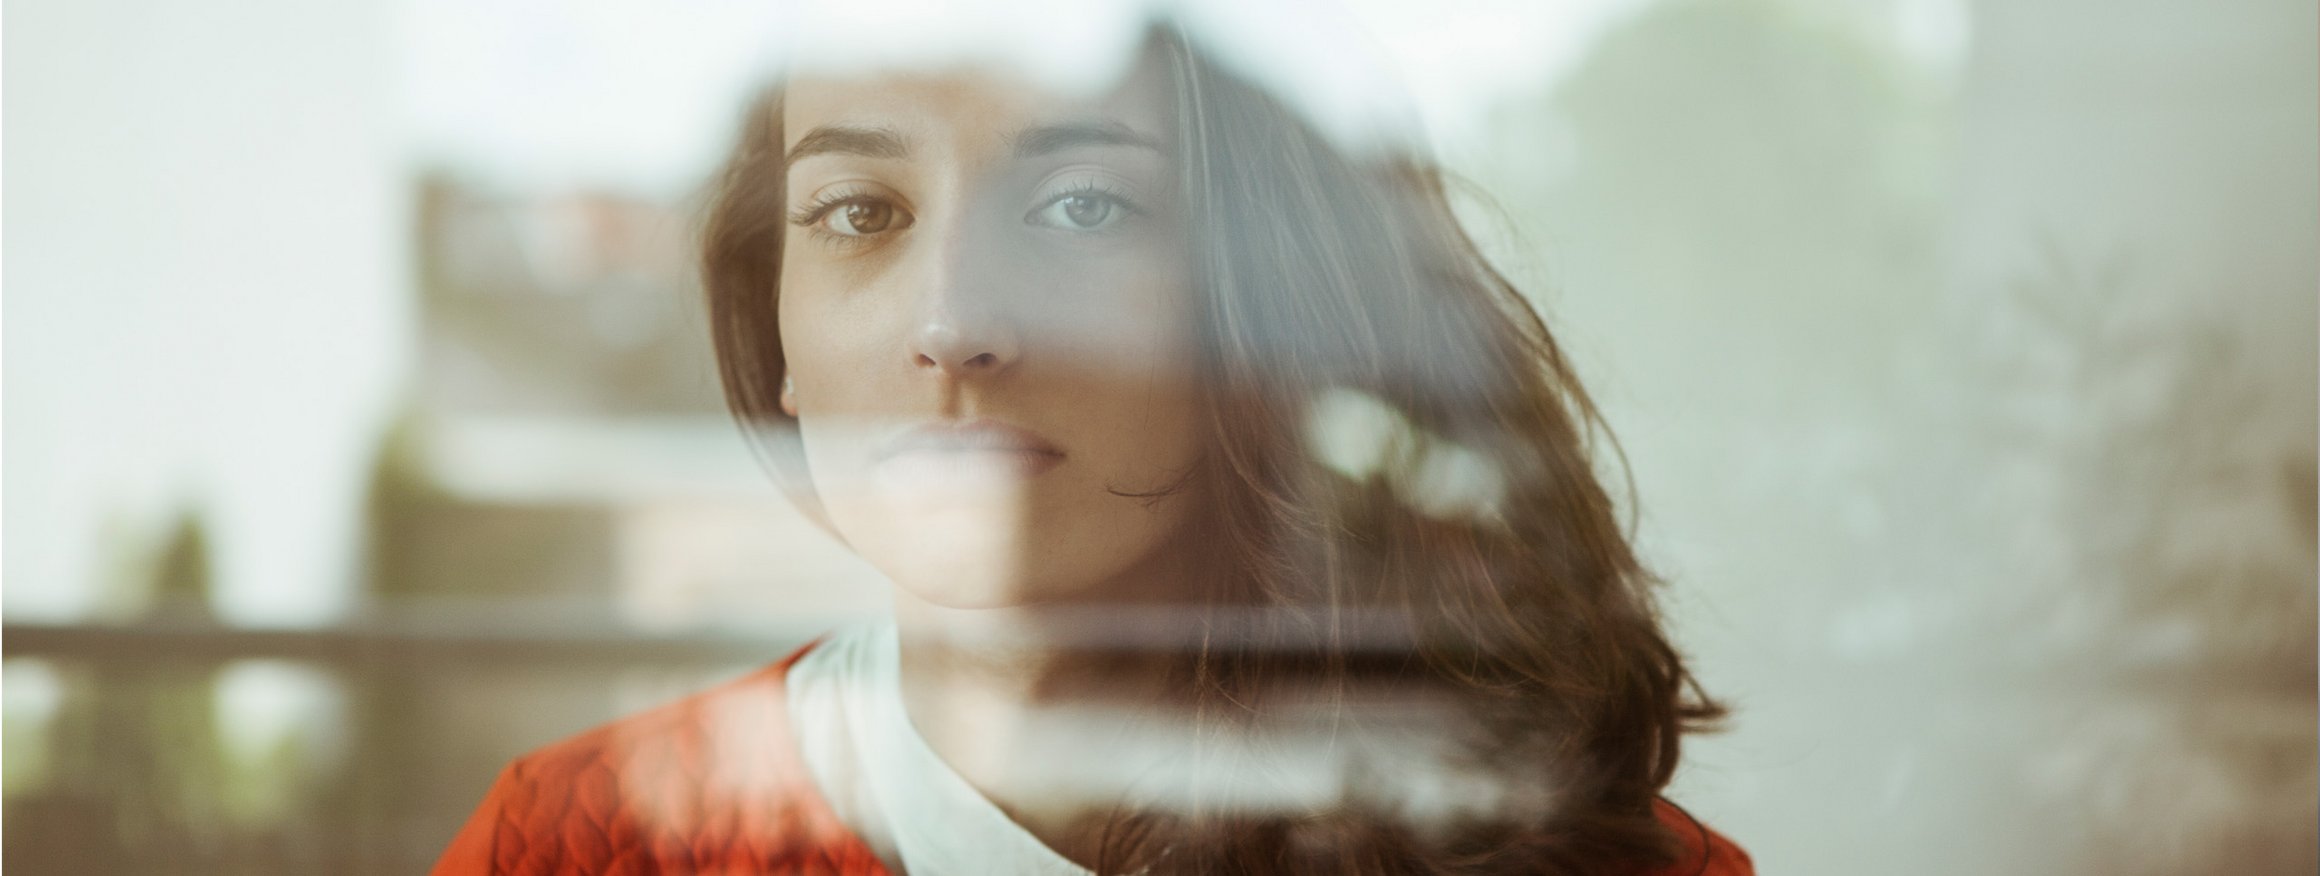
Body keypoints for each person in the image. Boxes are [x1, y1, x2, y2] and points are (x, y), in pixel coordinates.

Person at [432, 22, 1752, 876]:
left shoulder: (1563, 853)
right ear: (771, 337)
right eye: (858, 213)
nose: (952, 322)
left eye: (1080, 205)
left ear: (1254, 310)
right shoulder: (579, 846)